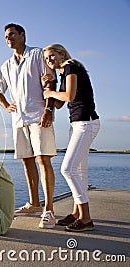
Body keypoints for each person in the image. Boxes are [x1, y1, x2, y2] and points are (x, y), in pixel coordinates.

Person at [0, 23, 57, 229]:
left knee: (43, 159)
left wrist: (49, 110)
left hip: (39, 115)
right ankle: (34, 204)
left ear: (22, 35)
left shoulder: (38, 54)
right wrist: (5, 105)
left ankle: (49, 210)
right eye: (5, 36)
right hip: (19, 119)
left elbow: (50, 82)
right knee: (27, 161)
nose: (8, 38)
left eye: (12, 34)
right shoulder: (5, 65)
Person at [42, 44, 100, 232]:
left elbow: (70, 95)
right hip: (77, 124)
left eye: (52, 56)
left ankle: (86, 218)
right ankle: (76, 214)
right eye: (47, 58)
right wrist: (47, 85)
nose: (49, 60)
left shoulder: (71, 67)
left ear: (61, 54)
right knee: (80, 172)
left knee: (68, 169)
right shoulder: (63, 74)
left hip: (86, 123)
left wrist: (50, 93)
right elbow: (59, 104)